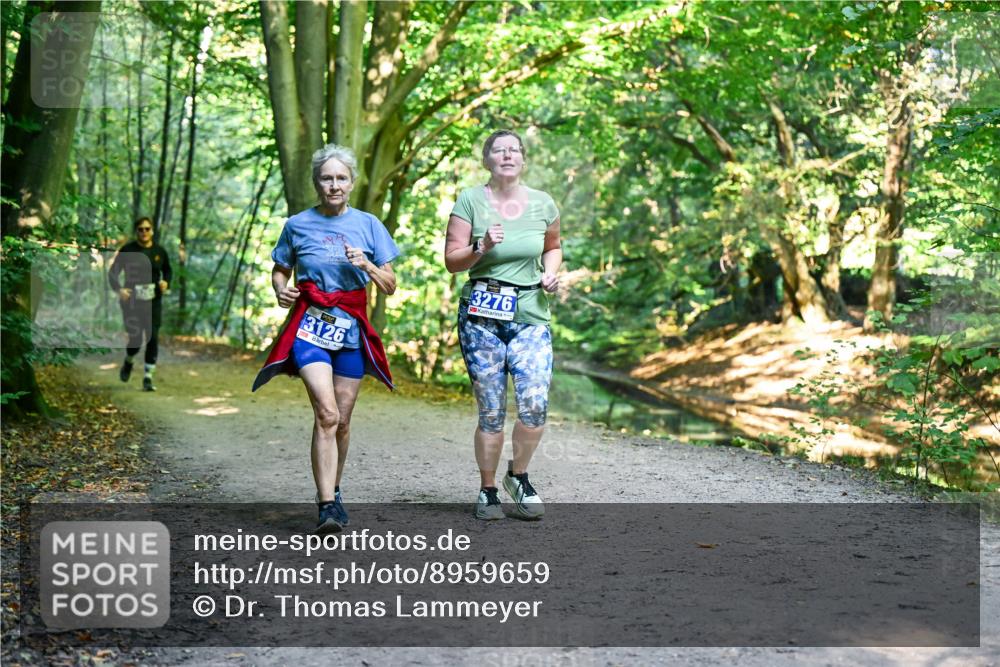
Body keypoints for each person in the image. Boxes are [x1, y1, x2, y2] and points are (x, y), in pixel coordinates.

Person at [252, 144, 399, 534]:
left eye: (341, 178)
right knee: (327, 413)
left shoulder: (369, 225)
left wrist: (365, 263)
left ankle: (334, 490)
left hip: (350, 328)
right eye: (326, 178)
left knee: (344, 421)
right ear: (316, 182)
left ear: (351, 182)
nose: (334, 185)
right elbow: (280, 270)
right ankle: (325, 505)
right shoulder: (298, 224)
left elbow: (390, 286)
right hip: (310, 327)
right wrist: (280, 290)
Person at [444, 130, 562, 520]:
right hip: (481, 317)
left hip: (530, 313)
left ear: (523, 159)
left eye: (514, 150)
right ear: (487, 159)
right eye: (499, 149)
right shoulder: (470, 200)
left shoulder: (544, 203)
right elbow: (452, 260)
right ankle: (488, 490)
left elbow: (553, 247)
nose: (507, 155)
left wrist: (551, 273)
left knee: (534, 404)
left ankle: (519, 476)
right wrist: (481, 248)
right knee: (491, 411)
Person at [108, 216, 172, 392]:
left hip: (154, 301)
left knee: (152, 337)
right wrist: (119, 290)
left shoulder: (160, 251)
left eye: (147, 229)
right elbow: (113, 273)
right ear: (136, 232)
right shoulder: (128, 250)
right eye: (140, 229)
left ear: (152, 231)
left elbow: (168, 270)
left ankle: (148, 377)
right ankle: (128, 361)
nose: (144, 232)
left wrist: (166, 282)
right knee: (136, 339)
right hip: (132, 301)